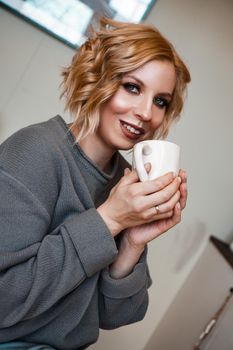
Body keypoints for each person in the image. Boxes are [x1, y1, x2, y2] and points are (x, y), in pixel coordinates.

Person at [0, 17, 190, 350]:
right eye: (132, 87)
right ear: (98, 79)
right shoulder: (34, 151)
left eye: (160, 101)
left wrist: (132, 241)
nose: (146, 112)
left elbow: (115, 316)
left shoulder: (126, 183)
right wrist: (110, 220)